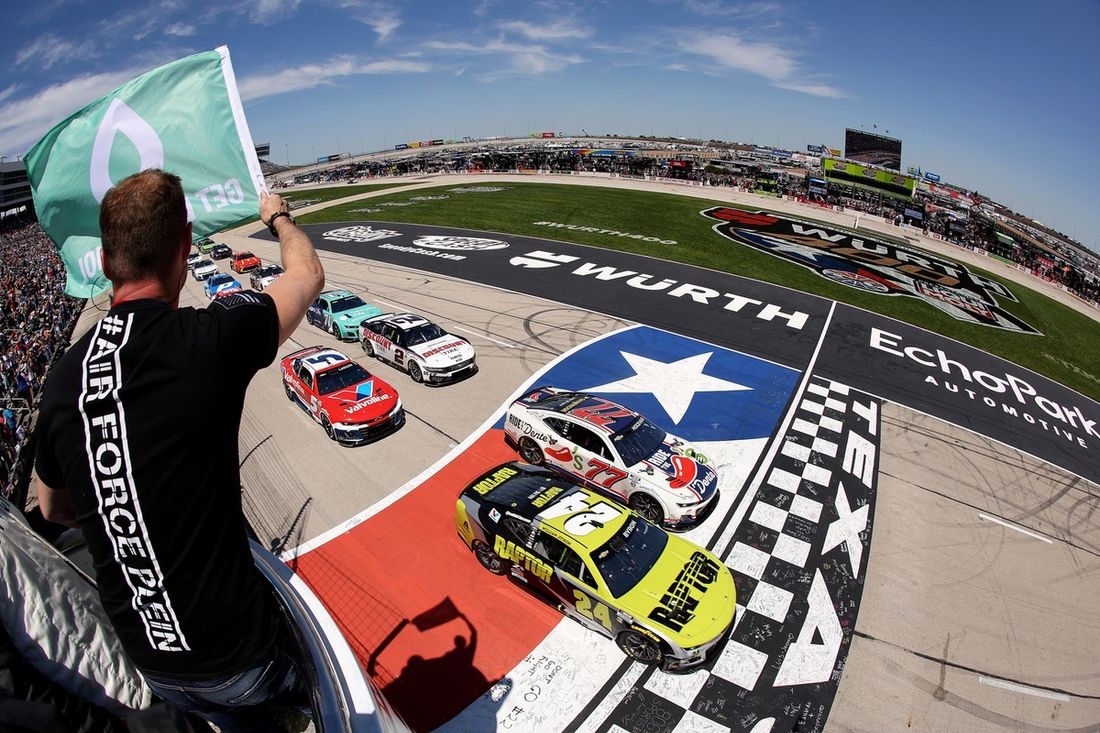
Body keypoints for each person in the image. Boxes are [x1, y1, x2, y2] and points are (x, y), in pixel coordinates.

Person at [32, 169, 324, 732]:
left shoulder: (63, 379)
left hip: (155, 668)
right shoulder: (207, 339)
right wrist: (278, 218)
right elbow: (306, 274)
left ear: (106, 260)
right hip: (241, 656)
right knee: (325, 680)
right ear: (185, 247)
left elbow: (52, 507)